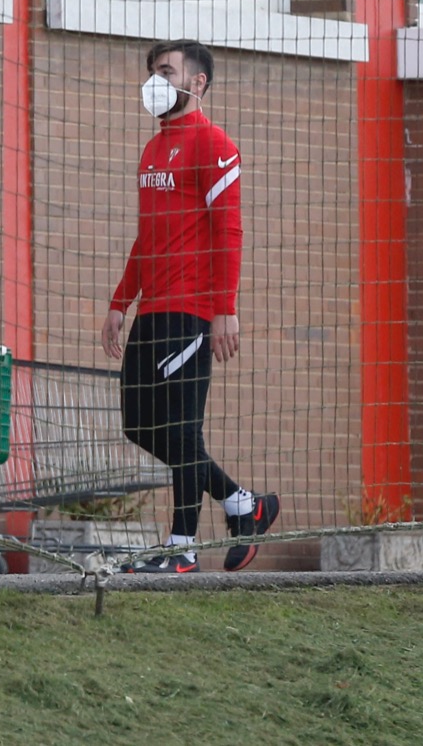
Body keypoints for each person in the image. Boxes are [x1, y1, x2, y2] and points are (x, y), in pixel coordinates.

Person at [102, 39, 278, 573]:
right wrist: (119, 302)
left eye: (166, 71)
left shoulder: (215, 144)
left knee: (180, 428)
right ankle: (242, 503)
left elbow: (230, 230)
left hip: (194, 310)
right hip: (151, 310)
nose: (155, 80)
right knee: (138, 423)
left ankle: (181, 550)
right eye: (153, 71)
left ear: (196, 82)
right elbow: (147, 235)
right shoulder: (153, 148)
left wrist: (225, 308)